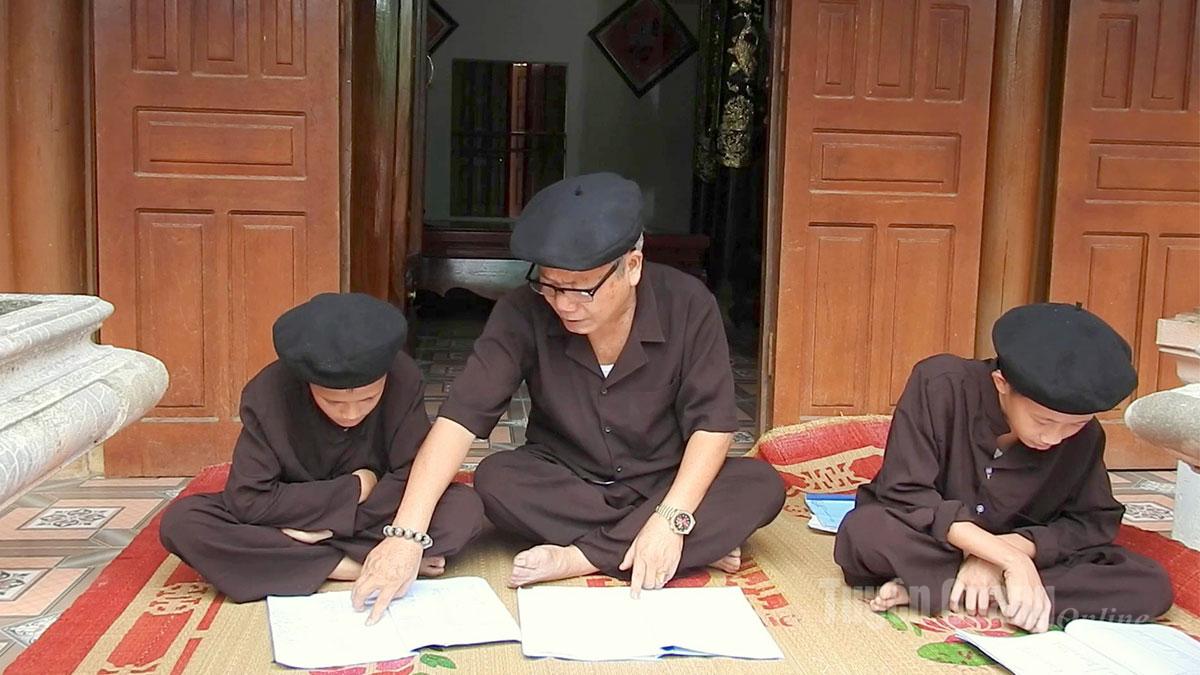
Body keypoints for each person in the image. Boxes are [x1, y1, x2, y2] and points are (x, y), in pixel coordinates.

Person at [351, 173, 785, 624]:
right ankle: (678, 545)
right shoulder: (523, 311)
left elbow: (712, 426)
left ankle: (586, 557)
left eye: (582, 289)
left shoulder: (689, 304)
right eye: (551, 285)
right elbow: (460, 421)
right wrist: (405, 536)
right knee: (496, 479)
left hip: (662, 482)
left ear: (632, 266)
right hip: (569, 482)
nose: (564, 305)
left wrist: (669, 517)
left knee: (760, 486)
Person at [834, 303, 1174, 632]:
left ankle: (945, 588)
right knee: (864, 532)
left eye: (1073, 426)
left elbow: (1089, 522)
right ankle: (1000, 593)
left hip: (1018, 544)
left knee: (1150, 584)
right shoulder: (940, 383)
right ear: (1001, 384)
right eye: (1043, 420)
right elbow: (905, 492)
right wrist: (1012, 562)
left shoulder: (1085, 435)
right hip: (938, 539)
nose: (1055, 437)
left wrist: (1000, 556)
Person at [159, 293, 485, 602]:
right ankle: (349, 566)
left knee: (463, 510)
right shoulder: (268, 393)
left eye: (367, 399)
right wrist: (357, 486)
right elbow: (248, 500)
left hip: (332, 516)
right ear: (307, 382)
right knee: (184, 522)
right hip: (304, 503)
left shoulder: (403, 377)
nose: (351, 413)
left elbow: (410, 474)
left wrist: (321, 527)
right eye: (333, 401)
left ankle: (297, 560)